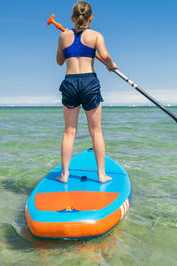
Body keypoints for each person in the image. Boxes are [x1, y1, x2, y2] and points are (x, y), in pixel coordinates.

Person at [55, 1, 118, 183]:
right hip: (89, 81)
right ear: (91, 18)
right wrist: (111, 64)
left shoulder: (63, 37)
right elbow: (105, 56)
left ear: (72, 18)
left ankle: (64, 175)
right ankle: (101, 175)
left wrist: (66, 41)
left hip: (70, 82)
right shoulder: (96, 35)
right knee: (96, 131)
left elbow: (59, 61)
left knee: (69, 131)